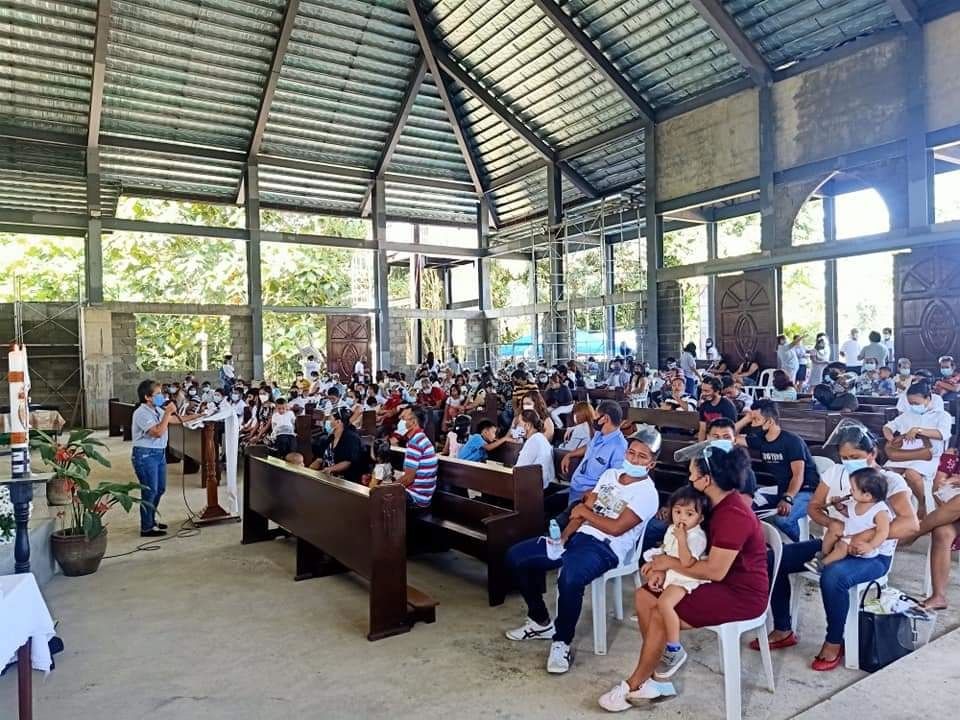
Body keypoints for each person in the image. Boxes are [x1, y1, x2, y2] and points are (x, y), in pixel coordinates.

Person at [598, 443, 768, 709]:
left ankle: (637, 683)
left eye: (693, 474)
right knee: (644, 596)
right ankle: (661, 666)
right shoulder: (711, 503)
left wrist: (667, 564)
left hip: (740, 592)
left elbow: (716, 570)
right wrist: (662, 566)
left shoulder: (733, 514)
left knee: (660, 612)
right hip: (709, 579)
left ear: (707, 479)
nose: (689, 478)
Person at [755, 423, 918, 670]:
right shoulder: (837, 474)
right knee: (772, 559)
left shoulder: (889, 481)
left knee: (833, 576)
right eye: (844, 457)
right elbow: (814, 507)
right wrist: (832, 522)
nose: (849, 462)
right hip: (834, 541)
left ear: (872, 454)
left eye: (856, 457)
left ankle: (834, 641)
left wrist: (865, 537)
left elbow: (911, 524)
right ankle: (783, 628)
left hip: (872, 554)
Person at [504, 434, 660, 675]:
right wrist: (564, 537)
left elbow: (616, 527)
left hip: (606, 547)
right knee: (516, 556)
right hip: (579, 536)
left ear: (651, 464)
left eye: (642, 457)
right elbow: (583, 510)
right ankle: (540, 621)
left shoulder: (647, 493)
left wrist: (584, 513)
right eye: (631, 453)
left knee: (570, 577)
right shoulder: (610, 476)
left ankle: (562, 641)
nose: (634, 459)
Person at [639, 486, 710, 677]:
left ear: (700, 518)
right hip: (672, 573)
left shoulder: (697, 536)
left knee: (664, 604)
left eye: (689, 514)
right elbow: (666, 549)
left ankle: (674, 647)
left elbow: (687, 562)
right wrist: (656, 565)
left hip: (686, 578)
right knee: (645, 596)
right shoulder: (672, 529)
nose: (682, 518)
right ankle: (655, 645)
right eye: (677, 512)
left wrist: (681, 539)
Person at [736, 400, 819, 541]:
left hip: (806, 491)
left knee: (783, 520)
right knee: (745, 509)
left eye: (756, 420)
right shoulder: (760, 440)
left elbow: (798, 475)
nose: (752, 424)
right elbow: (729, 437)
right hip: (781, 489)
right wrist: (746, 418)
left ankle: (805, 544)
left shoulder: (792, 441)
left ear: (770, 422)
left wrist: (788, 498)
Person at [131, 379, 200, 537]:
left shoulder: (157, 409)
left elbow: (174, 420)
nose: (162, 396)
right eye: (158, 394)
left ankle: (151, 519)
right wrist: (168, 412)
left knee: (159, 489)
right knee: (150, 490)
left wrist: (199, 415)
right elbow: (157, 432)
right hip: (145, 454)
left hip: (159, 453)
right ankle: (146, 527)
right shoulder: (141, 413)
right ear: (147, 397)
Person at [883, 381, 952, 516]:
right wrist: (891, 438)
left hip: (929, 456)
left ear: (928, 399)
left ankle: (921, 504)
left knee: (911, 473)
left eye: (917, 403)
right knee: (886, 473)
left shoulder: (942, 415)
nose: (913, 406)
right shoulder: (908, 415)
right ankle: (896, 509)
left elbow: (942, 434)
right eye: (911, 403)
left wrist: (918, 430)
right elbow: (888, 426)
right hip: (905, 454)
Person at [901, 450, 960, 609]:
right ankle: (939, 596)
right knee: (942, 532)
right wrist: (946, 508)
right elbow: (937, 486)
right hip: (952, 513)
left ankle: (915, 531)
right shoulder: (953, 454)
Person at [809, 469, 890, 569]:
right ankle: (824, 553)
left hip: (860, 544)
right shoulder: (857, 502)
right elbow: (850, 514)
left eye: (853, 489)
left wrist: (870, 546)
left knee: (841, 546)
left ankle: (823, 564)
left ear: (867, 495)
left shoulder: (880, 511)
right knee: (834, 526)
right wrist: (839, 506)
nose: (850, 491)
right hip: (849, 532)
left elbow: (883, 532)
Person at [561, 400, 628, 504]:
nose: (593, 419)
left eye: (596, 415)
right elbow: (589, 446)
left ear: (605, 419)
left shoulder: (619, 447)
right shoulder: (599, 434)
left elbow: (616, 480)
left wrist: (591, 494)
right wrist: (570, 454)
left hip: (588, 496)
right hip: (575, 486)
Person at [394, 406, 438, 509]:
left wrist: (385, 488)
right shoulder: (421, 438)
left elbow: (408, 479)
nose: (400, 422)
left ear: (413, 422)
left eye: (403, 418)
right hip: (423, 496)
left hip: (416, 498)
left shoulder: (415, 442)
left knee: (377, 497)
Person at [310, 407, 364, 483]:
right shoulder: (331, 437)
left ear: (338, 422)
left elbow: (347, 462)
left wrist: (331, 469)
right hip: (326, 476)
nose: (328, 422)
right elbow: (322, 456)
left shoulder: (351, 438)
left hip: (344, 481)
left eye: (330, 419)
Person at [515, 410, 556, 488]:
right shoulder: (540, 437)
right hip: (542, 484)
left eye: (519, 423)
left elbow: (518, 469)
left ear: (528, 425)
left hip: (535, 488)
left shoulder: (533, 441)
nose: (517, 427)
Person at [696, 375, 737, 440]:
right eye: (702, 391)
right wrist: (700, 447)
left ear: (717, 391)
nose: (703, 393)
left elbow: (731, 431)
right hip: (710, 439)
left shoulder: (728, 406)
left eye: (707, 391)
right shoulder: (703, 405)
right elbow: (702, 429)